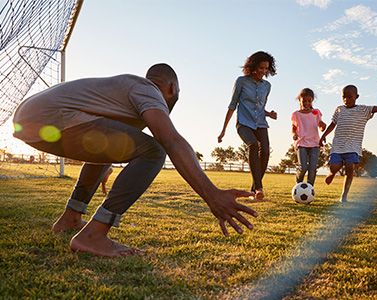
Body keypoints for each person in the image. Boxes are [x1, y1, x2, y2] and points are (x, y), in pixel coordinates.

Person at [13, 63, 258, 257]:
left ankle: (70, 219)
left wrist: (104, 162)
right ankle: (93, 236)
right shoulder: (147, 89)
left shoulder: (125, 94)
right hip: (52, 116)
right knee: (154, 151)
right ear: (171, 88)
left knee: (112, 148)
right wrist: (212, 195)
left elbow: (103, 142)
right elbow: (170, 139)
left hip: (29, 120)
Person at [217, 51, 277, 201]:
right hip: (244, 123)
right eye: (261, 68)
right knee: (253, 145)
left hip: (261, 123)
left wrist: (269, 114)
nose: (264, 71)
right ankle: (259, 188)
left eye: (266, 69)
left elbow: (259, 108)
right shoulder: (241, 81)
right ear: (253, 66)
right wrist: (223, 129)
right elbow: (232, 105)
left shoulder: (267, 86)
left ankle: (254, 189)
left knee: (266, 151)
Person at [319, 79, 377, 202]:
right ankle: (331, 173)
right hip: (338, 146)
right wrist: (323, 135)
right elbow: (332, 124)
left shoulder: (363, 110)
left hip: (353, 146)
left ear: (356, 97)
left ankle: (344, 195)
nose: (346, 99)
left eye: (349, 97)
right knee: (334, 167)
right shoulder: (339, 109)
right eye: (344, 97)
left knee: (350, 168)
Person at [291, 88, 326, 186]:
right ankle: (298, 185)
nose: (306, 103)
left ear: (312, 101)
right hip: (301, 143)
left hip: (315, 143)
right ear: (300, 100)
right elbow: (293, 127)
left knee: (312, 168)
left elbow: (320, 125)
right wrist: (294, 134)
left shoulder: (316, 112)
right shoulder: (296, 114)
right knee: (303, 167)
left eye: (309, 101)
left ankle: (310, 188)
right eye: (304, 101)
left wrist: (323, 126)